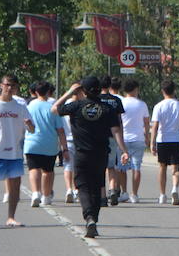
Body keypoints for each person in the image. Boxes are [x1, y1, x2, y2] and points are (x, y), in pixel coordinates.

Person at [53, 77, 131, 237]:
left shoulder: (76, 106)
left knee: (82, 186)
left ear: (83, 90)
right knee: (97, 186)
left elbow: (55, 109)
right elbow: (116, 131)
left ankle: (89, 217)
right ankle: (93, 218)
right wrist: (124, 150)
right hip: (101, 153)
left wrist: (70, 92)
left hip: (82, 153)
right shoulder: (107, 108)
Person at [0, 75, 34, 227]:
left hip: (14, 152)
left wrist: (29, 124)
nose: (10, 88)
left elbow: (32, 129)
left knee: (14, 186)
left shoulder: (20, 106)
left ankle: (11, 217)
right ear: (1, 85)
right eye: (7, 85)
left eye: (13, 85)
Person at [25, 82, 66, 208]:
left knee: (33, 169)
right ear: (48, 92)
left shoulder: (30, 106)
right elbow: (60, 130)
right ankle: (46, 196)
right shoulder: (53, 107)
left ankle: (36, 192)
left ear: (36, 92)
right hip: (49, 143)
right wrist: (64, 147)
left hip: (32, 142)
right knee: (48, 171)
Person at [149, 80, 179, 204]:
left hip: (163, 140)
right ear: (174, 90)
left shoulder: (159, 106)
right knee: (176, 168)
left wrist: (152, 143)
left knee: (162, 167)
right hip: (177, 140)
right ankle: (174, 188)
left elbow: (155, 126)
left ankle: (162, 194)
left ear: (163, 91)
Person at [118, 78, 150, 203]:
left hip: (123, 139)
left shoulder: (121, 103)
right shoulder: (142, 104)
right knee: (137, 167)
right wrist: (147, 136)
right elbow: (146, 122)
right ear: (136, 89)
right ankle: (134, 194)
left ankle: (124, 192)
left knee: (122, 167)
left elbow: (118, 121)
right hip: (138, 138)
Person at [99, 76, 125, 206]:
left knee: (99, 167)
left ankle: (101, 194)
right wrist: (121, 137)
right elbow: (119, 121)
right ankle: (113, 189)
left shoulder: (96, 99)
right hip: (113, 136)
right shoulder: (116, 100)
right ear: (110, 86)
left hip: (98, 136)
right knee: (111, 166)